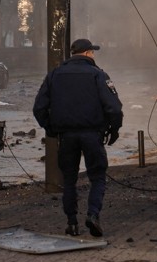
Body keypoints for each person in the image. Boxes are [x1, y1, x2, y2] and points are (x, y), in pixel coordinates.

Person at [32, 38, 123, 238]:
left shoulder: (54, 75)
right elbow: (114, 108)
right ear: (89, 53)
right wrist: (114, 130)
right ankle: (93, 215)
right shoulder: (98, 75)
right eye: (93, 52)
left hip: (66, 136)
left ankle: (72, 223)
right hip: (92, 134)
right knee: (97, 177)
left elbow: (38, 107)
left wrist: (51, 128)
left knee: (70, 180)